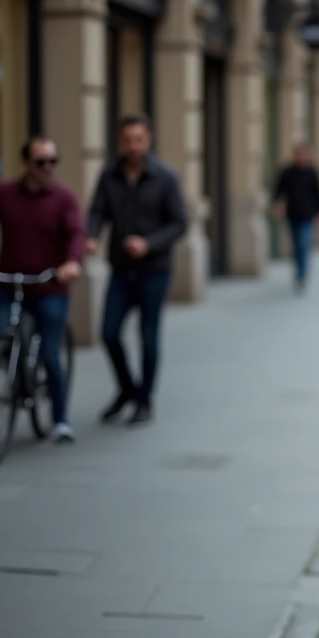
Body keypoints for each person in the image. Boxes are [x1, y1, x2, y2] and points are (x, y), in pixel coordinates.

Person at [87, 114, 188, 426]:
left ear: (149, 140)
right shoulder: (109, 173)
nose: (133, 146)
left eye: (138, 140)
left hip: (154, 270)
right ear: (121, 141)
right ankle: (127, 389)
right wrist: (91, 235)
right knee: (108, 333)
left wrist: (148, 243)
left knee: (148, 337)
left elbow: (179, 223)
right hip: (120, 268)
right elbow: (97, 210)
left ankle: (144, 401)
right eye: (127, 140)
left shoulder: (166, 177)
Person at [0, 137, 84, 443]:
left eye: (53, 161)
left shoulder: (64, 197)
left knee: (51, 355)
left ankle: (60, 420)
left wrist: (72, 262)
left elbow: (76, 233)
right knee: (2, 341)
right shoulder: (5, 194)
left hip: (49, 287)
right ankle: (10, 384)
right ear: (25, 163)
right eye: (41, 162)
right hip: (9, 283)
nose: (48, 167)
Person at [272, 143, 319, 293]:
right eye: (299, 154)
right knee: (297, 246)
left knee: (303, 243)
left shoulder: (312, 172)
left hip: (308, 215)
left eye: (304, 154)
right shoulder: (287, 172)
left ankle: (302, 274)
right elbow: (279, 191)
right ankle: (299, 272)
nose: (302, 157)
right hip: (293, 215)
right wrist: (277, 204)